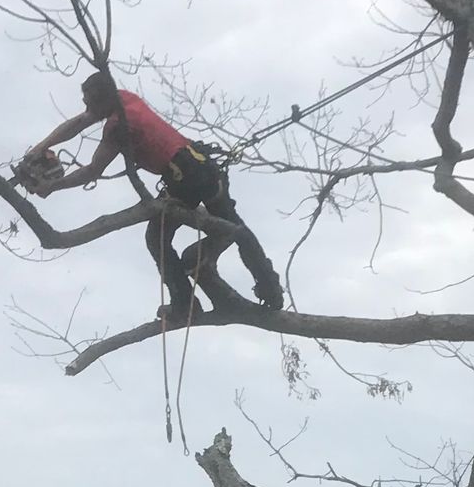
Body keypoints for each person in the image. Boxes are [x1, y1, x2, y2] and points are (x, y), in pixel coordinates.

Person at [16, 71, 283, 320]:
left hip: (184, 177)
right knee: (235, 227)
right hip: (200, 165)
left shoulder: (118, 126)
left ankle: (183, 304)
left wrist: (52, 187)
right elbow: (79, 122)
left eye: (89, 103)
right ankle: (269, 287)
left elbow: (93, 170)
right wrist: (42, 146)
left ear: (102, 101)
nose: (87, 109)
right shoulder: (124, 99)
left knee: (157, 237)